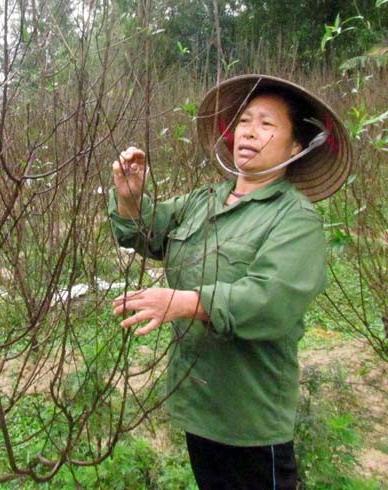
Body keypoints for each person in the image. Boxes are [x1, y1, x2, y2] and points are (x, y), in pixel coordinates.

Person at [108, 74, 352, 489]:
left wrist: (185, 302)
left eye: (267, 124)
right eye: (244, 122)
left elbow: (271, 300)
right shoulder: (204, 201)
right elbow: (145, 232)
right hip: (200, 404)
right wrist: (130, 197)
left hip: (250, 418)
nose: (250, 132)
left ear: (295, 147)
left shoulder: (294, 218)